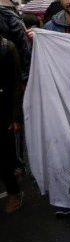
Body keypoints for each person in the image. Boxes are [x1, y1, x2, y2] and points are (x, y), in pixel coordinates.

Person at [0, 36, 24, 212]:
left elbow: (16, 84)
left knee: (4, 158)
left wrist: (15, 117)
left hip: (3, 109)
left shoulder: (7, 47)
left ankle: (14, 192)